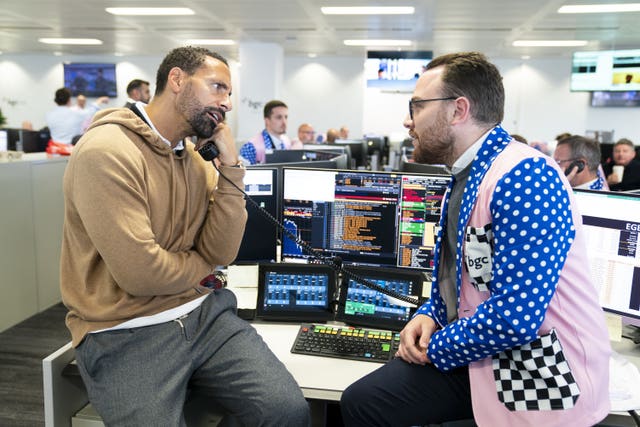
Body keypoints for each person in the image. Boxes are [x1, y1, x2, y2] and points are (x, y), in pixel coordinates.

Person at [340, 52, 610, 427]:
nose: (407, 120)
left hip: (541, 373)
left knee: (369, 404)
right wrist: (429, 313)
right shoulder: (468, 175)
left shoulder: (525, 175)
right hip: (489, 353)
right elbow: (463, 276)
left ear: (458, 110)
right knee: (362, 402)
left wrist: (433, 348)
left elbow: (515, 318)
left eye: (416, 107)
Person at [60, 46, 309, 426]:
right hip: (125, 331)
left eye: (228, 94)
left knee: (287, 411)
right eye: (217, 88)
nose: (226, 103)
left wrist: (230, 168)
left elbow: (222, 249)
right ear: (177, 80)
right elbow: (140, 275)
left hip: (205, 315)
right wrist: (204, 267)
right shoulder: (107, 151)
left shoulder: (196, 160)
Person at [239, 99, 292, 164]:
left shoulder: (287, 141)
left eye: (286, 117)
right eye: (279, 117)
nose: (284, 122)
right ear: (267, 120)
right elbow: (243, 173)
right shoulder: (251, 147)